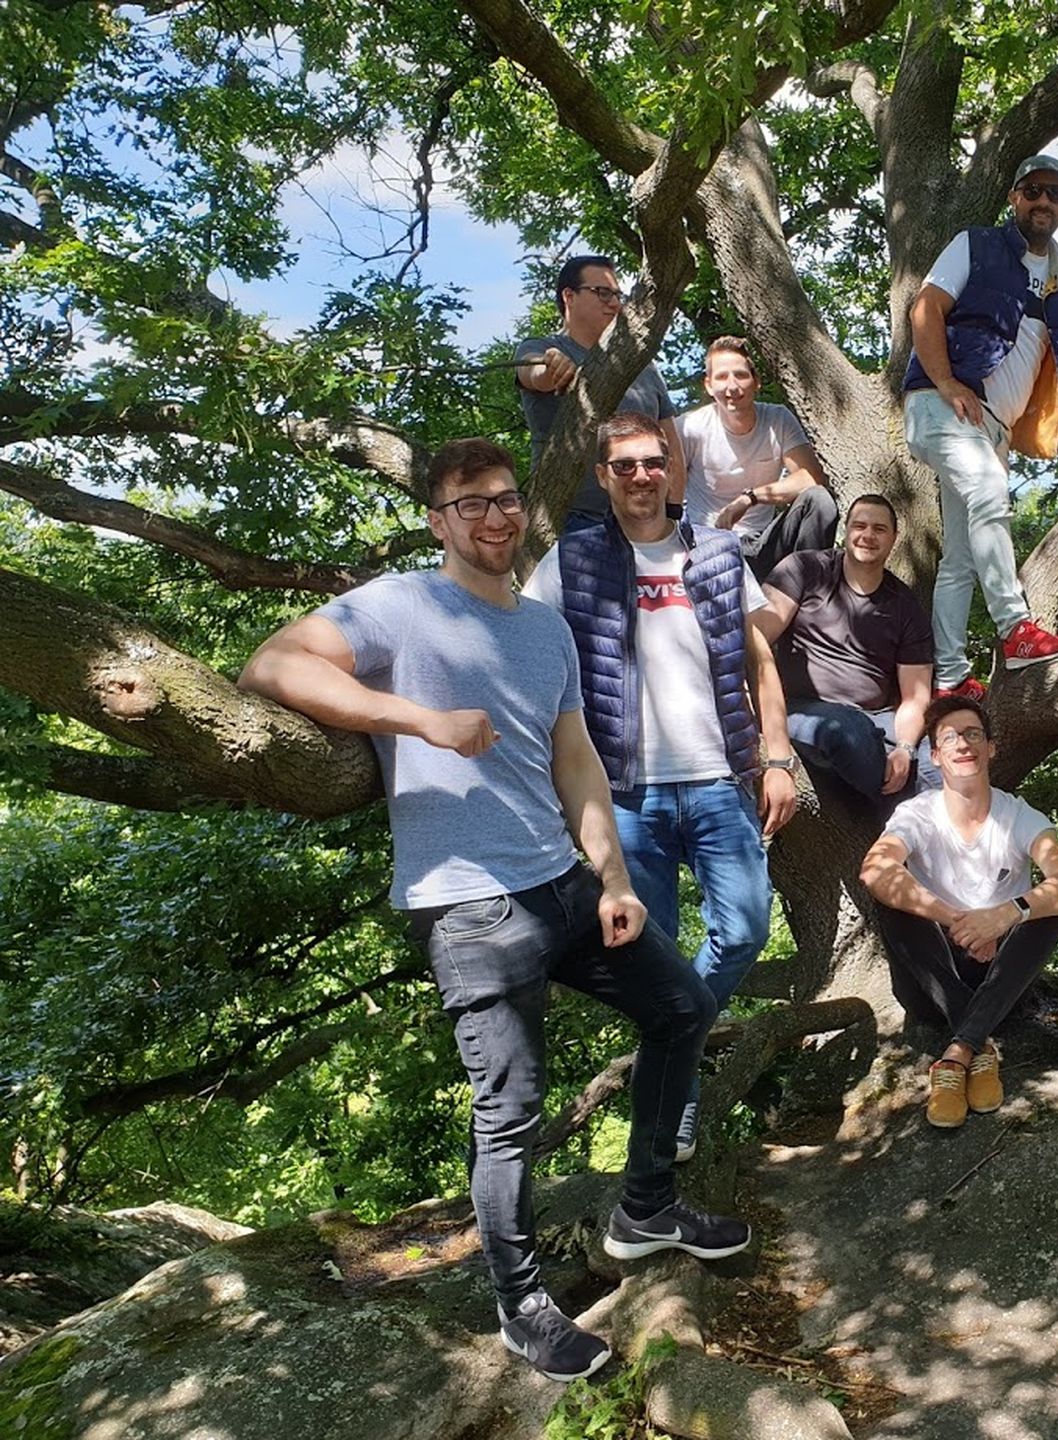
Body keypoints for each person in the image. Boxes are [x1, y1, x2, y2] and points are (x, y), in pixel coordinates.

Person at [237, 438, 747, 1385]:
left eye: (505, 499)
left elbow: (575, 761)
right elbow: (269, 666)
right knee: (510, 1111)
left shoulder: (546, 629)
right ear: (439, 520)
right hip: (468, 905)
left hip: (563, 882)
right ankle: (521, 1306)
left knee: (684, 1005)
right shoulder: (400, 605)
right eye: (470, 504)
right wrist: (419, 721)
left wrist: (615, 877)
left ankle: (645, 1206)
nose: (494, 517)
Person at [523, 412, 798, 1160]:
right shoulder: (570, 562)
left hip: (719, 779)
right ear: (603, 476)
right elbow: (528, 659)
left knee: (744, 929)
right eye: (625, 466)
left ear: (672, 469)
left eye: (653, 462)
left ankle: (670, 1051)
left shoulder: (717, 552)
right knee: (654, 952)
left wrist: (778, 758)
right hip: (624, 794)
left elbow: (759, 660)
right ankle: (676, 1094)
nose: (642, 476)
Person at [902, 152, 1058, 701]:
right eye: (1033, 191)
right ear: (1015, 198)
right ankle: (1015, 627)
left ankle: (949, 679)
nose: (1043, 201)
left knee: (959, 557)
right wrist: (946, 381)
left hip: (993, 429)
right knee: (989, 492)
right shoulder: (976, 245)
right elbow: (925, 309)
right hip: (943, 406)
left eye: (1055, 193)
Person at [858, 695, 1058, 1127]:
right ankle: (978, 1044)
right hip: (932, 983)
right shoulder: (917, 814)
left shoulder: (1018, 815)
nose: (963, 744)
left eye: (973, 735)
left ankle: (958, 1052)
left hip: (1001, 982)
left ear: (991, 747)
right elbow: (875, 869)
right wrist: (959, 921)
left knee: (1053, 907)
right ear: (935, 755)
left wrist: (1006, 914)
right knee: (891, 900)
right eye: (950, 738)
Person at [756, 493, 938, 806]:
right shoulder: (805, 569)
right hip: (804, 709)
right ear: (846, 531)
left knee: (940, 756)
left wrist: (905, 748)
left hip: (878, 719)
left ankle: (935, 828)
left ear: (894, 538)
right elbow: (755, 636)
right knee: (846, 731)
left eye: (879, 529)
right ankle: (902, 811)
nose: (868, 535)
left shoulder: (905, 605)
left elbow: (915, 696)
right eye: (860, 526)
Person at [515, 254, 686, 529]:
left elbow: (671, 447)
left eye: (617, 295)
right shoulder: (540, 347)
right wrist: (552, 366)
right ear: (569, 296)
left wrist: (673, 512)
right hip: (571, 520)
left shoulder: (642, 363)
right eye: (602, 293)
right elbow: (534, 374)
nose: (615, 303)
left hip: (645, 519)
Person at [679, 335, 839, 579]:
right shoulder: (690, 427)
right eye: (722, 377)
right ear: (709, 385)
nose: (732, 386)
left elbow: (811, 478)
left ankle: (809, 592)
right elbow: (664, 487)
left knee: (820, 500)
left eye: (740, 375)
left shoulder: (778, 419)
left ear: (756, 382)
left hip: (761, 544)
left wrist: (749, 498)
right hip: (707, 545)